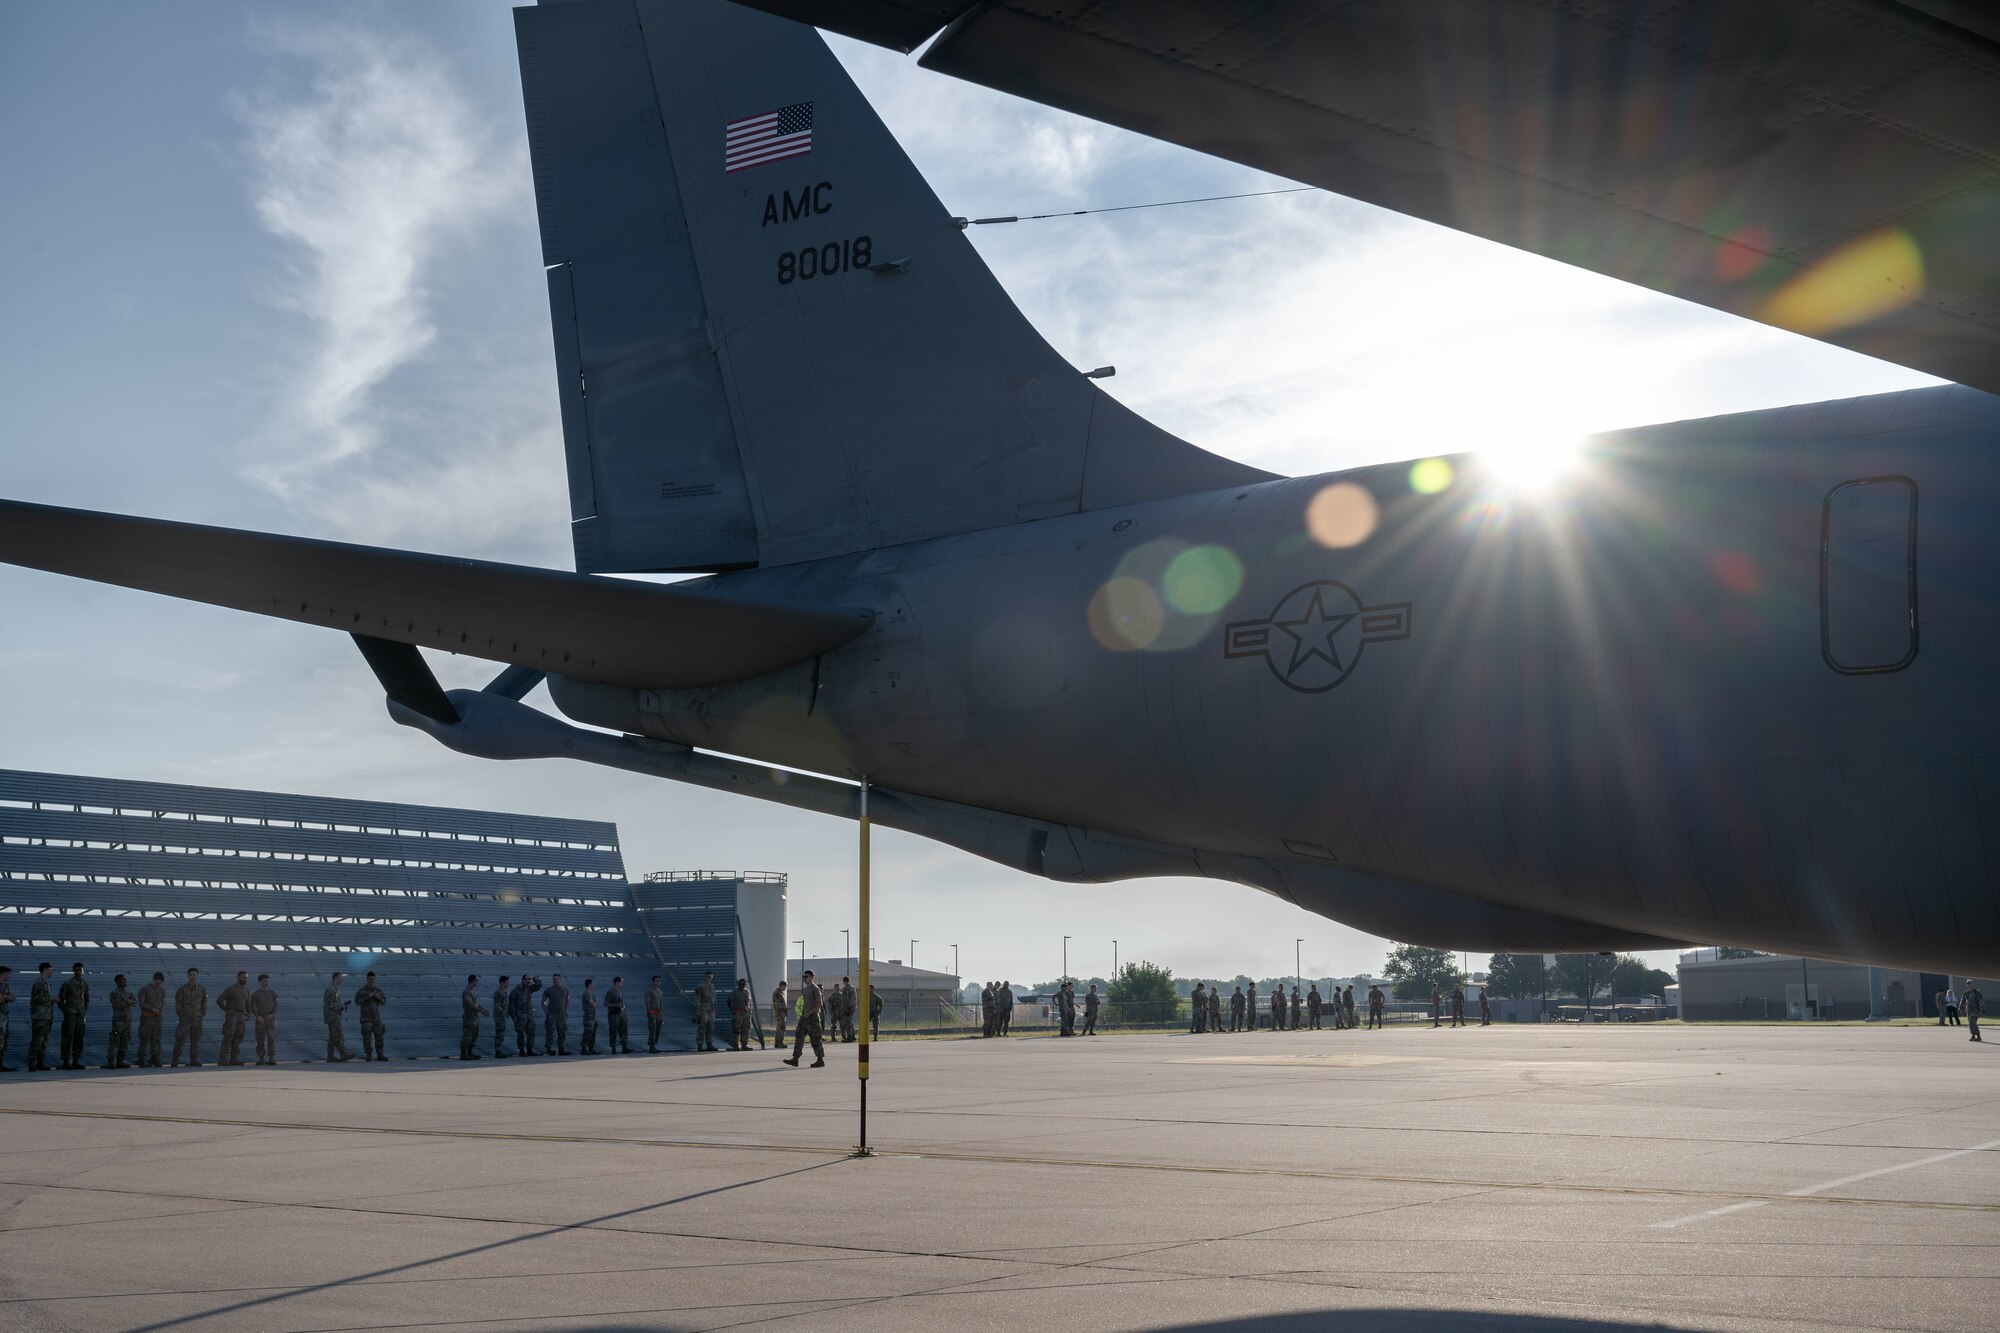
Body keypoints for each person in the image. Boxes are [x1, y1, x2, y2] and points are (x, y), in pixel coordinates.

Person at [784, 968, 825, 1067]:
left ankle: (820, 1060)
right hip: (804, 1017)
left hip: (813, 1018)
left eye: (806, 977)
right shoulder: (806, 989)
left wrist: (810, 1013)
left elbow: (819, 1004)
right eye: (803, 977)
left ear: (811, 977)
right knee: (799, 1036)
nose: (804, 978)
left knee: (815, 1039)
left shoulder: (815, 989)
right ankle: (795, 1058)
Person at [58, 962, 90, 1070]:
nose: (78, 972)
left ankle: (76, 1060)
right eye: (76, 970)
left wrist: (85, 1010)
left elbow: (87, 1000)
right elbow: (60, 1000)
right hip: (70, 1015)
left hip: (80, 1016)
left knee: (79, 1038)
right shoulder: (67, 984)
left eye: (80, 970)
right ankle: (66, 1061)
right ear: (73, 971)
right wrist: (66, 1011)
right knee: (67, 1038)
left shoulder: (85, 984)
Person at [171, 967, 206, 1067]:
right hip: (185, 1019)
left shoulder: (202, 989)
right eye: (191, 975)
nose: (193, 977)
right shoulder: (182, 989)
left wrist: (202, 1015)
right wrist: (181, 1016)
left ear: (197, 976)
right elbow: (178, 1004)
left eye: (194, 975)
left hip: (197, 1019)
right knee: (180, 1040)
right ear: (188, 976)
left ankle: (193, 1060)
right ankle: (175, 1060)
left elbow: (204, 1003)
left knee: (195, 1041)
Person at [216, 970, 250, 1066]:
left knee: (238, 1037)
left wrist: (249, 1013)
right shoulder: (231, 989)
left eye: (246, 977)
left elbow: (247, 1002)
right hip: (232, 1016)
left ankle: (234, 1058)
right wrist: (227, 1011)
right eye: (243, 977)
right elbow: (219, 1000)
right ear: (238, 977)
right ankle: (222, 1058)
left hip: (242, 1016)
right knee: (228, 1036)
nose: (245, 979)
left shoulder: (246, 989)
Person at [28, 962, 56, 1072]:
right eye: (51, 969)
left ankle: (40, 1063)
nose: (52, 971)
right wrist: (52, 999)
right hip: (39, 1017)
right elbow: (37, 998)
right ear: (45, 970)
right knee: (37, 1040)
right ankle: (32, 1063)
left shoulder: (45, 983)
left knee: (44, 1040)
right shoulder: (39, 983)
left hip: (46, 1016)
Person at [245, 974, 278, 1065]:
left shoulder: (272, 992)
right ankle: (261, 1058)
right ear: (260, 982)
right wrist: (257, 1016)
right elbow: (252, 1007)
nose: (266, 982)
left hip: (270, 1019)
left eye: (267, 981)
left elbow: (276, 1005)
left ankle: (271, 1058)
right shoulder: (255, 994)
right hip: (261, 1019)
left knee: (271, 1038)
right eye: (264, 981)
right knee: (260, 1039)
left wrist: (272, 1015)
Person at [356, 972, 389, 1061]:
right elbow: (357, 1002)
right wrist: (367, 996)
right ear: (367, 979)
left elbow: (384, 1002)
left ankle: (380, 1054)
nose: (372, 980)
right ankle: (368, 1055)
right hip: (366, 1019)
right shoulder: (362, 990)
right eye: (370, 979)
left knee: (379, 1037)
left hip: (376, 1018)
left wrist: (378, 997)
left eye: (373, 979)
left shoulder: (378, 990)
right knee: (367, 1038)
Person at [137, 971, 166, 1067]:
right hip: (147, 1018)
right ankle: (142, 1059)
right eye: (157, 983)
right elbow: (141, 1003)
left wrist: (161, 1010)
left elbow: (164, 1002)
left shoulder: (162, 990)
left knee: (156, 1038)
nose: (158, 985)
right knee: (144, 1038)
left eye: (160, 984)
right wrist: (152, 1009)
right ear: (153, 979)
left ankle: (155, 1057)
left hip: (157, 1018)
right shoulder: (144, 989)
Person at [105, 974, 134, 1070]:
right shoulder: (114, 993)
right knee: (114, 1041)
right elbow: (118, 1005)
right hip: (118, 1021)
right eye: (123, 980)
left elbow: (134, 1003)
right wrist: (127, 1001)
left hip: (127, 1020)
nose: (125, 982)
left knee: (124, 1042)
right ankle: (111, 1061)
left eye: (125, 980)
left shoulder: (128, 993)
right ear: (117, 982)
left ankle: (120, 1061)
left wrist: (126, 1001)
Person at [510, 975, 542, 1055]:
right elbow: (511, 1005)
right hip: (520, 1016)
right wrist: (514, 1018)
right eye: (527, 980)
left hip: (529, 1015)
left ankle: (530, 1050)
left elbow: (539, 986)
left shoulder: (529, 988)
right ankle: (521, 1050)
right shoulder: (515, 990)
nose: (529, 982)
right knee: (521, 1033)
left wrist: (534, 978)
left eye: (530, 981)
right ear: (522, 980)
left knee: (531, 1032)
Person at [323, 973, 352, 1063]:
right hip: (333, 1017)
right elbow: (332, 1005)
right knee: (338, 1035)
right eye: (340, 977)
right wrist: (342, 1006)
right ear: (335, 978)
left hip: (333, 1016)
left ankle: (330, 1056)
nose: (342, 979)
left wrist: (342, 1006)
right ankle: (343, 1054)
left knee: (332, 1036)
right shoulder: (332, 990)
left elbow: (334, 1004)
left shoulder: (335, 989)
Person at [459, 975, 487, 1060]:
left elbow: (476, 1004)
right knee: (467, 1036)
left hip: (474, 1018)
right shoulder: (466, 992)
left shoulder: (472, 992)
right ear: (472, 981)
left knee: (474, 1036)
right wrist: (482, 1011)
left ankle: (470, 1053)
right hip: (469, 1018)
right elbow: (471, 1005)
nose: (477, 983)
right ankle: (463, 1054)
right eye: (476, 981)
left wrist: (483, 1009)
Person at [541, 973, 569, 1056]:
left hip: (561, 1014)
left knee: (562, 1031)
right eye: (553, 979)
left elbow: (567, 1000)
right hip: (552, 1014)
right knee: (550, 1031)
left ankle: (561, 1049)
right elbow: (543, 1001)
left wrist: (565, 1010)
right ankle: (549, 1049)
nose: (554, 981)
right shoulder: (549, 990)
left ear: (560, 979)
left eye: (556, 979)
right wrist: (546, 1011)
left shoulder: (565, 989)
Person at [693, 971, 717, 1052]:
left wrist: (714, 1009)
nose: (710, 979)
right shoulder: (700, 986)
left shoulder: (712, 986)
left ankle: (709, 1044)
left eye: (711, 977)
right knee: (702, 1028)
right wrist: (698, 1011)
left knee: (710, 1028)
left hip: (711, 1010)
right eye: (708, 977)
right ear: (705, 977)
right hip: (704, 1010)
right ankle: (699, 1045)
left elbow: (714, 998)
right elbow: (697, 999)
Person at [604, 977, 629, 1053]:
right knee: (613, 1031)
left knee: (624, 1030)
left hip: (621, 1014)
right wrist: (616, 1005)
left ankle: (624, 1047)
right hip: (613, 1015)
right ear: (617, 983)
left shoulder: (619, 992)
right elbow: (605, 1004)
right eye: (621, 982)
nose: (622, 984)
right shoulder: (610, 992)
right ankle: (613, 1048)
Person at [729, 978, 753, 1050]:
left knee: (746, 1030)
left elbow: (749, 1002)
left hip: (746, 1013)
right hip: (738, 1013)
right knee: (736, 1030)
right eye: (741, 984)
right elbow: (729, 1001)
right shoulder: (734, 992)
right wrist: (733, 1011)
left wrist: (749, 1011)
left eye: (744, 984)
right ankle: (735, 1045)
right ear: (738, 984)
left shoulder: (747, 992)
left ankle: (744, 1045)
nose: (742, 985)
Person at [492, 976, 513, 1057]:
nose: (508, 983)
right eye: (507, 982)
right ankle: (498, 1051)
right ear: (502, 982)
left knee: (501, 1033)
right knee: (499, 1034)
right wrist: (502, 1013)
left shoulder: (503, 991)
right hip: (499, 1016)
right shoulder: (498, 991)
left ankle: (499, 1050)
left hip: (502, 1016)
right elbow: (497, 1005)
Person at [646, 976, 666, 1052]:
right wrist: (649, 1012)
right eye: (656, 981)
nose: (658, 982)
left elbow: (661, 1003)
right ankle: (651, 1047)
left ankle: (654, 1045)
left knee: (658, 1030)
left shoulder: (660, 991)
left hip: (659, 1014)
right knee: (652, 1030)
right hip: (652, 1013)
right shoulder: (649, 991)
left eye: (659, 981)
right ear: (653, 981)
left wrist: (661, 1014)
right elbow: (647, 1002)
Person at [580, 979, 599, 1054]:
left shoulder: (592, 994)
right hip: (588, 1016)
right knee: (588, 1032)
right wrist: (594, 1004)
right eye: (593, 984)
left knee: (593, 1033)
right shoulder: (586, 993)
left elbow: (595, 1004)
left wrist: (595, 1004)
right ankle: (584, 1049)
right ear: (589, 984)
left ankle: (591, 1048)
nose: (594, 985)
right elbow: (593, 1004)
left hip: (593, 1016)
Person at [0, 964, 12, 1072]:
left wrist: (4, 997)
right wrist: (6, 997)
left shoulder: (5, 986)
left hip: (4, 1016)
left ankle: (1, 1063)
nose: (9, 976)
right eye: (8, 974)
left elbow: (12, 998)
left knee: (4, 1040)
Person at [840, 977, 859, 1042]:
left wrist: (845, 1008)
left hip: (848, 1007)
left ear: (843, 981)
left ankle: (849, 1037)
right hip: (853, 1007)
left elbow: (845, 999)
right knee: (850, 1022)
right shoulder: (853, 988)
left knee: (847, 1023)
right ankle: (853, 1036)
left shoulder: (846, 988)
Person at [771, 979, 789, 1047]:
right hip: (780, 1014)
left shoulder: (780, 993)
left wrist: (786, 1008)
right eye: (785, 987)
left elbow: (781, 1004)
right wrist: (781, 1012)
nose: (785, 988)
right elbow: (777, 1004)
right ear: (781, 986)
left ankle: (777, 1043)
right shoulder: (777, 993)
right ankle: (779, 1043)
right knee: (781, 1028)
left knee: (780, 1028)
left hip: (781, 1013)